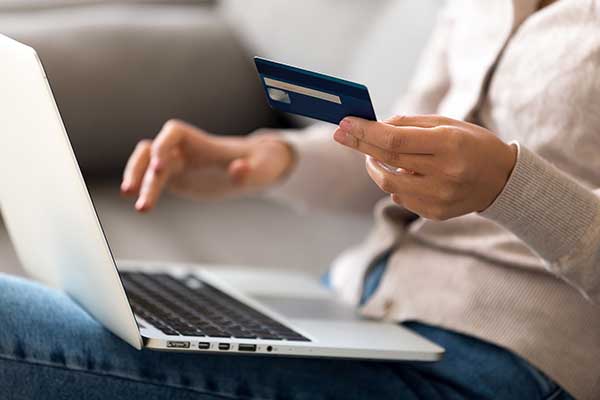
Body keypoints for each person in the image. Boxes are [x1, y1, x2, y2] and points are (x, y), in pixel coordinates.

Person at [1, 0, 597, 399]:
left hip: (500, 367)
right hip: (356, 307)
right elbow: (407, 150)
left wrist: (512, 189)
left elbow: (494, 178)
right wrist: (265, 161)